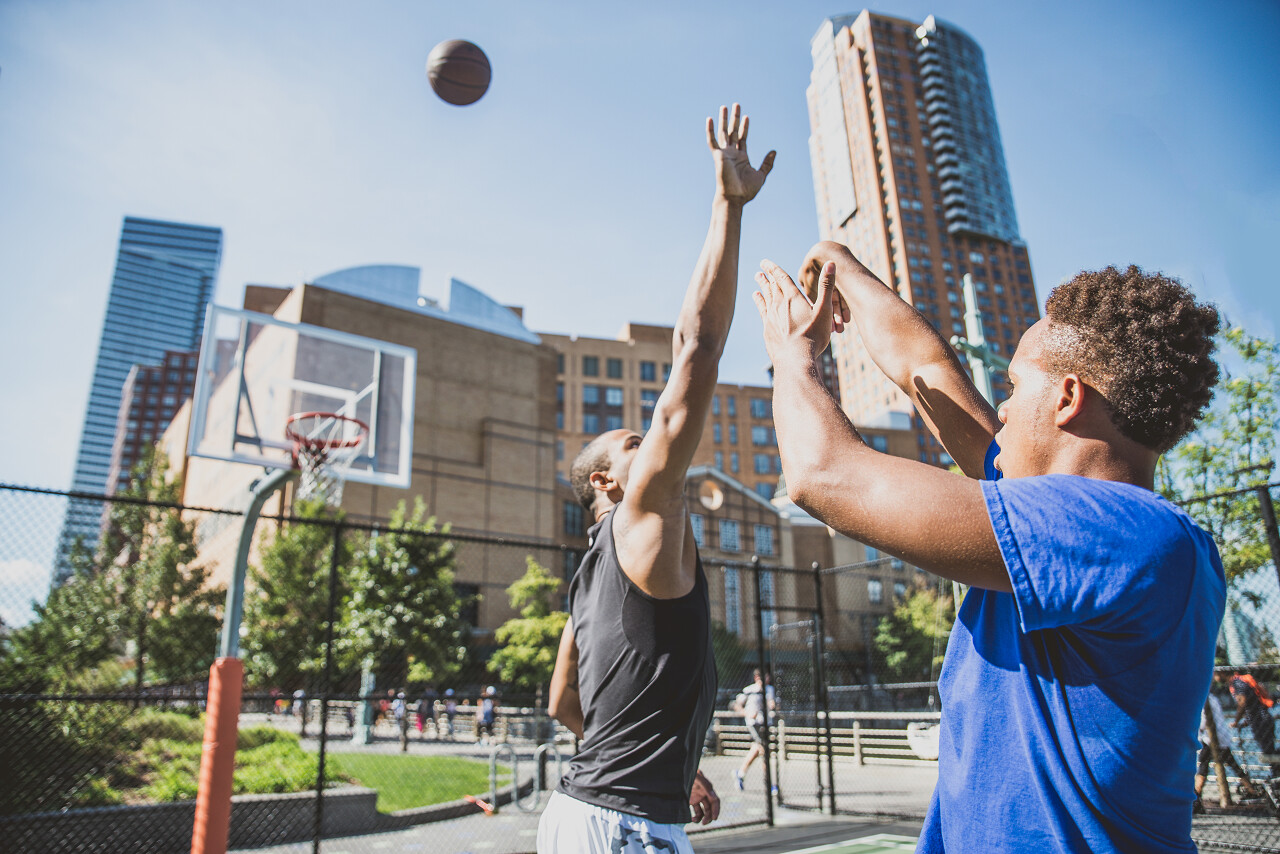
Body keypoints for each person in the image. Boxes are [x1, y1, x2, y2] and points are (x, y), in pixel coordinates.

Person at [753, 246, 1225, 852]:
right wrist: (840, 265)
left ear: (1067, 398)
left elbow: (823, 475)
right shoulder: (1079, 525)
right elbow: (926, 367)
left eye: (1013, 384)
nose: (999, 405)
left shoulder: (1119, 531)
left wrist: (792, 355)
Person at [539, 104, 775, 854]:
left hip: (586, 810)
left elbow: (562, 702)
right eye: (635, 443)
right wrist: (726, 207)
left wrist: (671, 765)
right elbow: (697, 352)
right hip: (624, 824)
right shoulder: (643, 518)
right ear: (608, 483)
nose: (653, 444)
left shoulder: (586, 580)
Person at [1195, 676, 1263, 812]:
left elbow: (1203, 721)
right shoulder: (1212, 698)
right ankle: (1251, 789)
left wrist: (1196, 730)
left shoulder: (1203, 699)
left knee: (1203, 765)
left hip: (1211, 738)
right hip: (1220, 736)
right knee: (1231, 763)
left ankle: (1196, 795)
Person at [1229, 670, 1279, 781]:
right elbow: (1253, 702)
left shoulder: (1236, 682)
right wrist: (1247, 719)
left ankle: (1276, 775)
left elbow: (1243, 702)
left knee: (1268, 751)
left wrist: (1236, 721)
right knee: (1268, 749)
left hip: (1260, 720)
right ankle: (1275, 773)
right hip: (1263, 717)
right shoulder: (1243, 681)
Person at [732, 669, 776, 790]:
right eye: (764, 677)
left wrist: (773, 705)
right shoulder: (749, 690)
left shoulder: (770, 689)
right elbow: (735, 705)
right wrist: (746, 712)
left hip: (766, 723)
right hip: (754, 724)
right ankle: (770, 783)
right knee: (763, 749)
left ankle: (740, 774)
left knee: (756, 749)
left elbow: (773, 704)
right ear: (757, 678)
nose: (767, 679)